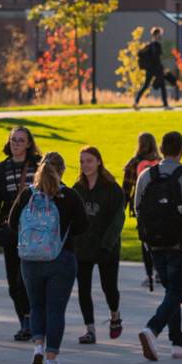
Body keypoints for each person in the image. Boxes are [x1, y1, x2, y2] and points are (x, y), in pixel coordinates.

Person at [12, 152, 87, 364]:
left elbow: (12, 221)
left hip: (30, 259)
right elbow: (83, 226)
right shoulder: (70, 196)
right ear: (62, 170)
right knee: (55, 309)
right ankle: (51, 358)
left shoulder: (28, 194)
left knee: (36, 306)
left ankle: (37, 348)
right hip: (60, 258)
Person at [133, 131, 182, 362]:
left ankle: (178, 342)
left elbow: (138, 206)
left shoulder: (147, 175)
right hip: (181, 243)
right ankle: (152, 329)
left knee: (171, 292)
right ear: (181, 149)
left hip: (155, 243)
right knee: (177, 293)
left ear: (162, 147)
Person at [0, 125, 42, 341]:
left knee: (27, 280)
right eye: (13, 140)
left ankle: (31, 321)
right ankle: (24, 321)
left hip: (36, 232)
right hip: (10, 232)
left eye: (20, 140)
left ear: (28, 143)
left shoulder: (39, 167)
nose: (16, 144)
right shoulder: (1, 170)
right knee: (13, 282)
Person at [71, 145, 126, 345]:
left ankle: (115, 315)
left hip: (106, 247)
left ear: (98, 162)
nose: (85, 165)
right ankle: (90, 329)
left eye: (89, 160)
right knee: (83, 289)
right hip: (83, 247)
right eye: (82, 161)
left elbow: (117, 219)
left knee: (109, 287)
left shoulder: (112, 189)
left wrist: (107, 245)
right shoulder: (77, 189)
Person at [119, 132, 160, 291]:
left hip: (142, 208)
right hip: (161, 207)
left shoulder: (134, 163)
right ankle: (158, 271)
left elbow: (126, 189)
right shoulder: (160, 162)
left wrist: (121, 209)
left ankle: (149, 274)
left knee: (146, 241)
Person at [132, 28, 170, 110]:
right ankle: (166, 105)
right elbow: (157, 59)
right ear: (156, 35)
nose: (160, 36)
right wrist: (162, 68)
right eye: (159, 34)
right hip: (156, 69)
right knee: (162, 85)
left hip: (149, 69)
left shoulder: (148, 45)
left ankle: (136, 102)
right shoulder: (157, 45)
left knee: (145, 86)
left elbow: (140, 54)